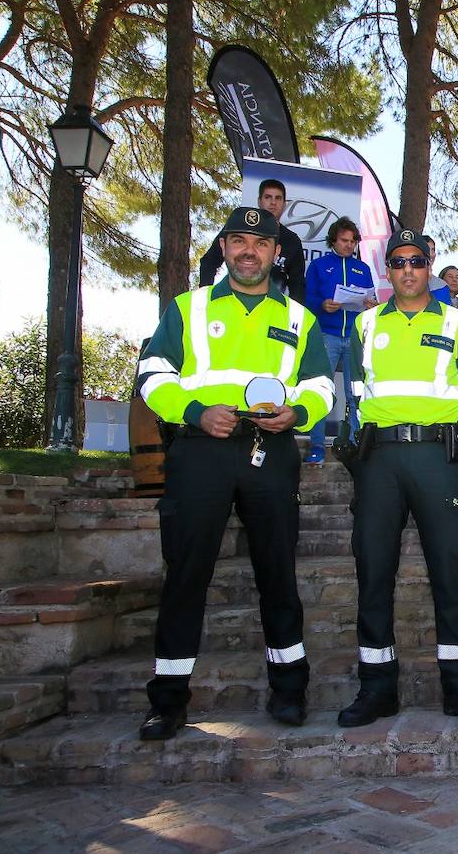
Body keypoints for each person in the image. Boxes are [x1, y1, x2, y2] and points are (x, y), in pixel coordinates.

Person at [133, 207, 333, 740]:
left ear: (275, 253)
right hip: (201, 451)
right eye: (239, 241)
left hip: (270, 453)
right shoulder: (188, 308)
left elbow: (321, 385)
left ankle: (289, 690)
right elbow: (151, 374)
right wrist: (195, 411)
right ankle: (168, 700)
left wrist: (300, 413)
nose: (249, 250)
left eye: (260, 243)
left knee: (278, 573)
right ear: (223, 249)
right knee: (186, 574)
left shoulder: (299, 318)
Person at [336, 228, 458, 727]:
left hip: (436, 456)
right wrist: (357, 452)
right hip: (379, 458)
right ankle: (376, 688)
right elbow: (354, 394)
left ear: (430, 267)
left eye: (417, 261)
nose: (408, 269)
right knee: (374, 571)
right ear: (387, 270)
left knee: (448, 570)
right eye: (399, 262)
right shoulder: (364, 324)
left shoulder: (457, 320)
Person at [303, 217, 378, 464]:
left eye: (353, 241)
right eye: (344, 240)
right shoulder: (319, 265)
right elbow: (307, 300)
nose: (348, 245)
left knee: (355, 392)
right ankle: (316, 445)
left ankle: (357, 444)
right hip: (327, 334)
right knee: (322, 389)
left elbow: (370, 300)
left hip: (354, 338)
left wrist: (370, 305)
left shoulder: (363, 268)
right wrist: (322, 305)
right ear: (333, 240)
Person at [198, 179, 307, 303]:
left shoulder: (292, 240)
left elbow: (297, 282)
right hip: (233, 304)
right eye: (267, 197)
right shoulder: (236, 228)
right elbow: (209, 262)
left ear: (284, 204)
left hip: (273, 309)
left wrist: (294, 315)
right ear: (259, 201)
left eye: (278, 198)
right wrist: (205, 299)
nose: (273, 202)